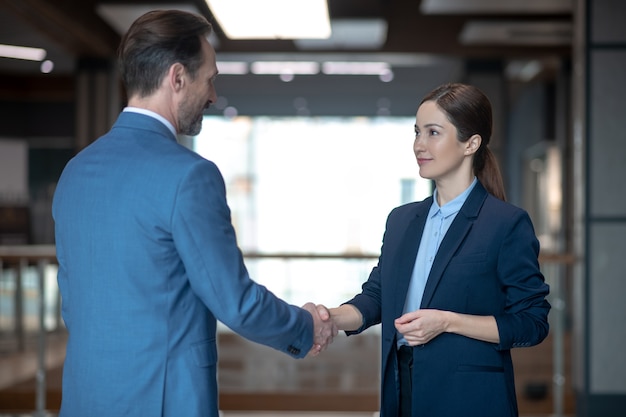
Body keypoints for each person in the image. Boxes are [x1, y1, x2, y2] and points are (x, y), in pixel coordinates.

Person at [52, 10, 336, 417]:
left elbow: (73, 304)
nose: (214, 95)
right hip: (165, 401)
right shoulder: (190, 176)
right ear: (178, 78)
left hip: (85, 398)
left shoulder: (75, 172)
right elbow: (235, 301)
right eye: (210, 78)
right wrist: (307, 329)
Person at [324, 83, 550, 417]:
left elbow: (532, 323)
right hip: (401, 389)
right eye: (416, 132)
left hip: (470, 398)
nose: (419, 145)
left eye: (433, 133)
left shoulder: (505, 223)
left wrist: (447, 322)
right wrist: (329, 318)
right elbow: (378, 296)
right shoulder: (402, 220)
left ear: (471, 143)